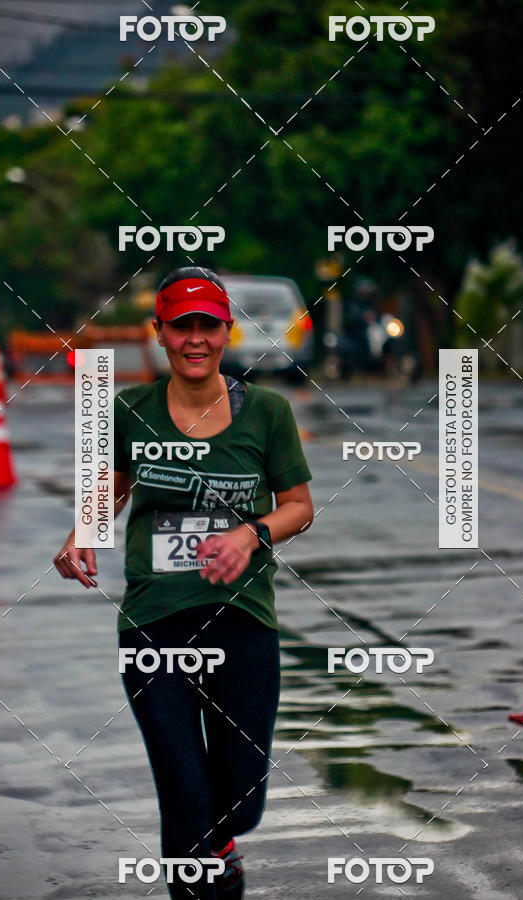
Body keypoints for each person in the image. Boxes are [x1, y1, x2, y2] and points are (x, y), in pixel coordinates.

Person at [54, 266, 314, 899]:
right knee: (182, 788)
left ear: (226, 333)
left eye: (208, 325)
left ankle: (224, 842)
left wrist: (249, 533)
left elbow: (299, 506)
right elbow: (110, 488)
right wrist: (83, 530)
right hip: (154, 621)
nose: (194, 338)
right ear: (160, 334)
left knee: (238, 801)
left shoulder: (268, 412)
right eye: (181, 326)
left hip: (243, 621)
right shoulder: (127, 410)